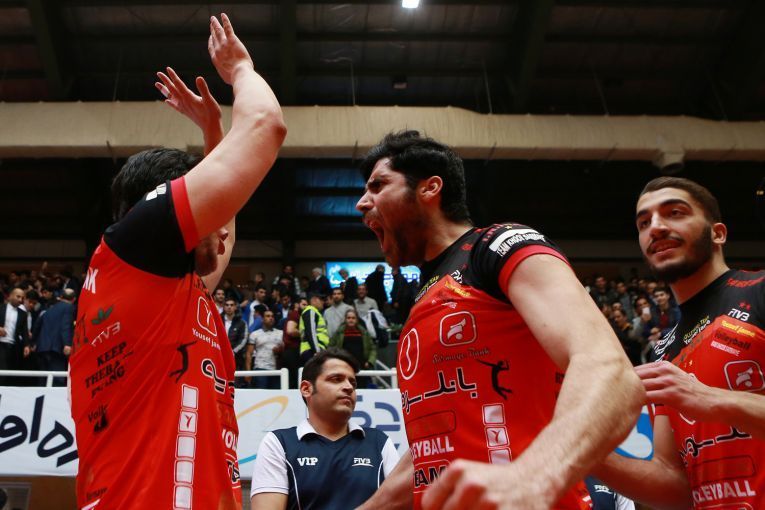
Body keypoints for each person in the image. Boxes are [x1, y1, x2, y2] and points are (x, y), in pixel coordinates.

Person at [355, 130, 643, 509]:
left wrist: (534, 477)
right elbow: (432, 451)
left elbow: (610, 372)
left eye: (378, 186)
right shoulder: (423, 297)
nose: (362, 203)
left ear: (430, 188)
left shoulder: (498, 246)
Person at [68, 14, 286, 509]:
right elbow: (266, 126)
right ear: (163, 210)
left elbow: (224, 218)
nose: (223, 229)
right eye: (208, 214)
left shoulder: (162, 290)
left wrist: (212, 132)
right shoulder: (134, 243)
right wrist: (241, 69)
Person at [594, 176, 765, 509]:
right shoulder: (663, 350)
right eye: (644, 223)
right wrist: (586, 452)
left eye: (674, 213)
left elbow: (701, 399)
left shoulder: (759, 291)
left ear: (718, 233)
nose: (656, 228)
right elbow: (675, 486)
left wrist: (706, 398)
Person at [249, 348, 398, 509]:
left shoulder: (380, 442)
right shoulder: (279, 443)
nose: (348, 387)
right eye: (336, 379)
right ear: (306, 389)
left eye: (353, 383)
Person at [30, 288, 76, 386]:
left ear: (61, 297)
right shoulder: (69, 307)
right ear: (74, 299)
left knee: (43, 380)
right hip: (56, 349)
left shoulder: (50, 309)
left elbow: (37, 325)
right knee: (56, 380)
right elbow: (66, 326)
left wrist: (33, 342)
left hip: (42, 348)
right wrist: (67, 344)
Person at [330, 308, 376, 387]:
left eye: (353, 318)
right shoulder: (339, 332)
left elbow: (373, 348)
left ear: (357, 320)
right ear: (345, 319)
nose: (351, 320)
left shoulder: (364, 333)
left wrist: (369, 362)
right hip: (343, 367)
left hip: (361, 368)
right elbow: (330, 347)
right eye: (348, 318)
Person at [245, 310, 283, 389]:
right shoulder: (255, 334)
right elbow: (249, 354)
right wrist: (248, 372)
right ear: (262, 319)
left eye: (272, 316)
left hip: (277, 369)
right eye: (268, 316)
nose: (271, 318)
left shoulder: (281, 333)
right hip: (260, 368)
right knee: (261, 394)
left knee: (276, 395)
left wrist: (280, 350)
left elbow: (285, 349)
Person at [0, 287, 29, 384]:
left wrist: (26, 345)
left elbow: (25, 331)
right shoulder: (1, 308)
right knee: (3, 369)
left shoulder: (23, 314)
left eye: (22, 298)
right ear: (11, 296)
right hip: (1, 343)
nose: (20, 300)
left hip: (14, 346)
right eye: (18, 296)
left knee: (10, 371)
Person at [299, 293, 329, 364]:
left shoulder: (315, 312)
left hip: (315, 349)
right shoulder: (311, 311)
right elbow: (311, 332)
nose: (323, 302)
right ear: (314, 300)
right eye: (321, 299)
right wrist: (317, 351)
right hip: (312, 350)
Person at [222, 298, 248, 372]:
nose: (229, 307)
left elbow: (243, 339)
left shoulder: (242, 323)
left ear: (235, 307)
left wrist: (233, 352)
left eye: (231, 305)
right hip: (219, 355)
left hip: (236, 357)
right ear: (224, 307)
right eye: (227, 305)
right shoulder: (218, 320)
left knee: (235, 378)